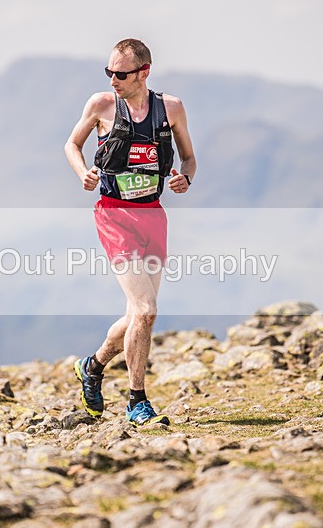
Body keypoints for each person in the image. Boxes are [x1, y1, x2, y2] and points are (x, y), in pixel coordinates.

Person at [64, 39, 197, 426]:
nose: (113, 80)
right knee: (146, 311)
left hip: (153, 215)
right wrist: (83, 173)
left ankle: (92, 366)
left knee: (136, 315)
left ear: (144, 72)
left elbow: (189, 158)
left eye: (120, 74)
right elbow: (72, 144)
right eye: (109, 72)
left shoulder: (171, 108)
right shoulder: (102, 105)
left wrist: (186, 178)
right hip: (115, 215)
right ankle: (137, 401)